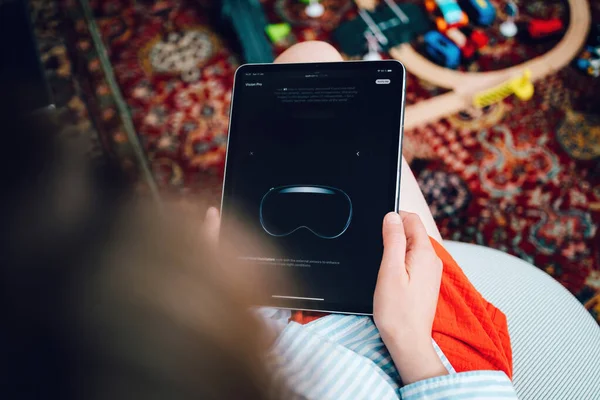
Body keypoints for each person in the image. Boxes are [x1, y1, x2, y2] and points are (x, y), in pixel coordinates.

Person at [2, 42, 516, 400]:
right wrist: (409, 340)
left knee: (308, 65)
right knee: (315, 63)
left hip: (265, 319)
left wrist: (220, 304)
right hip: (419, 354)